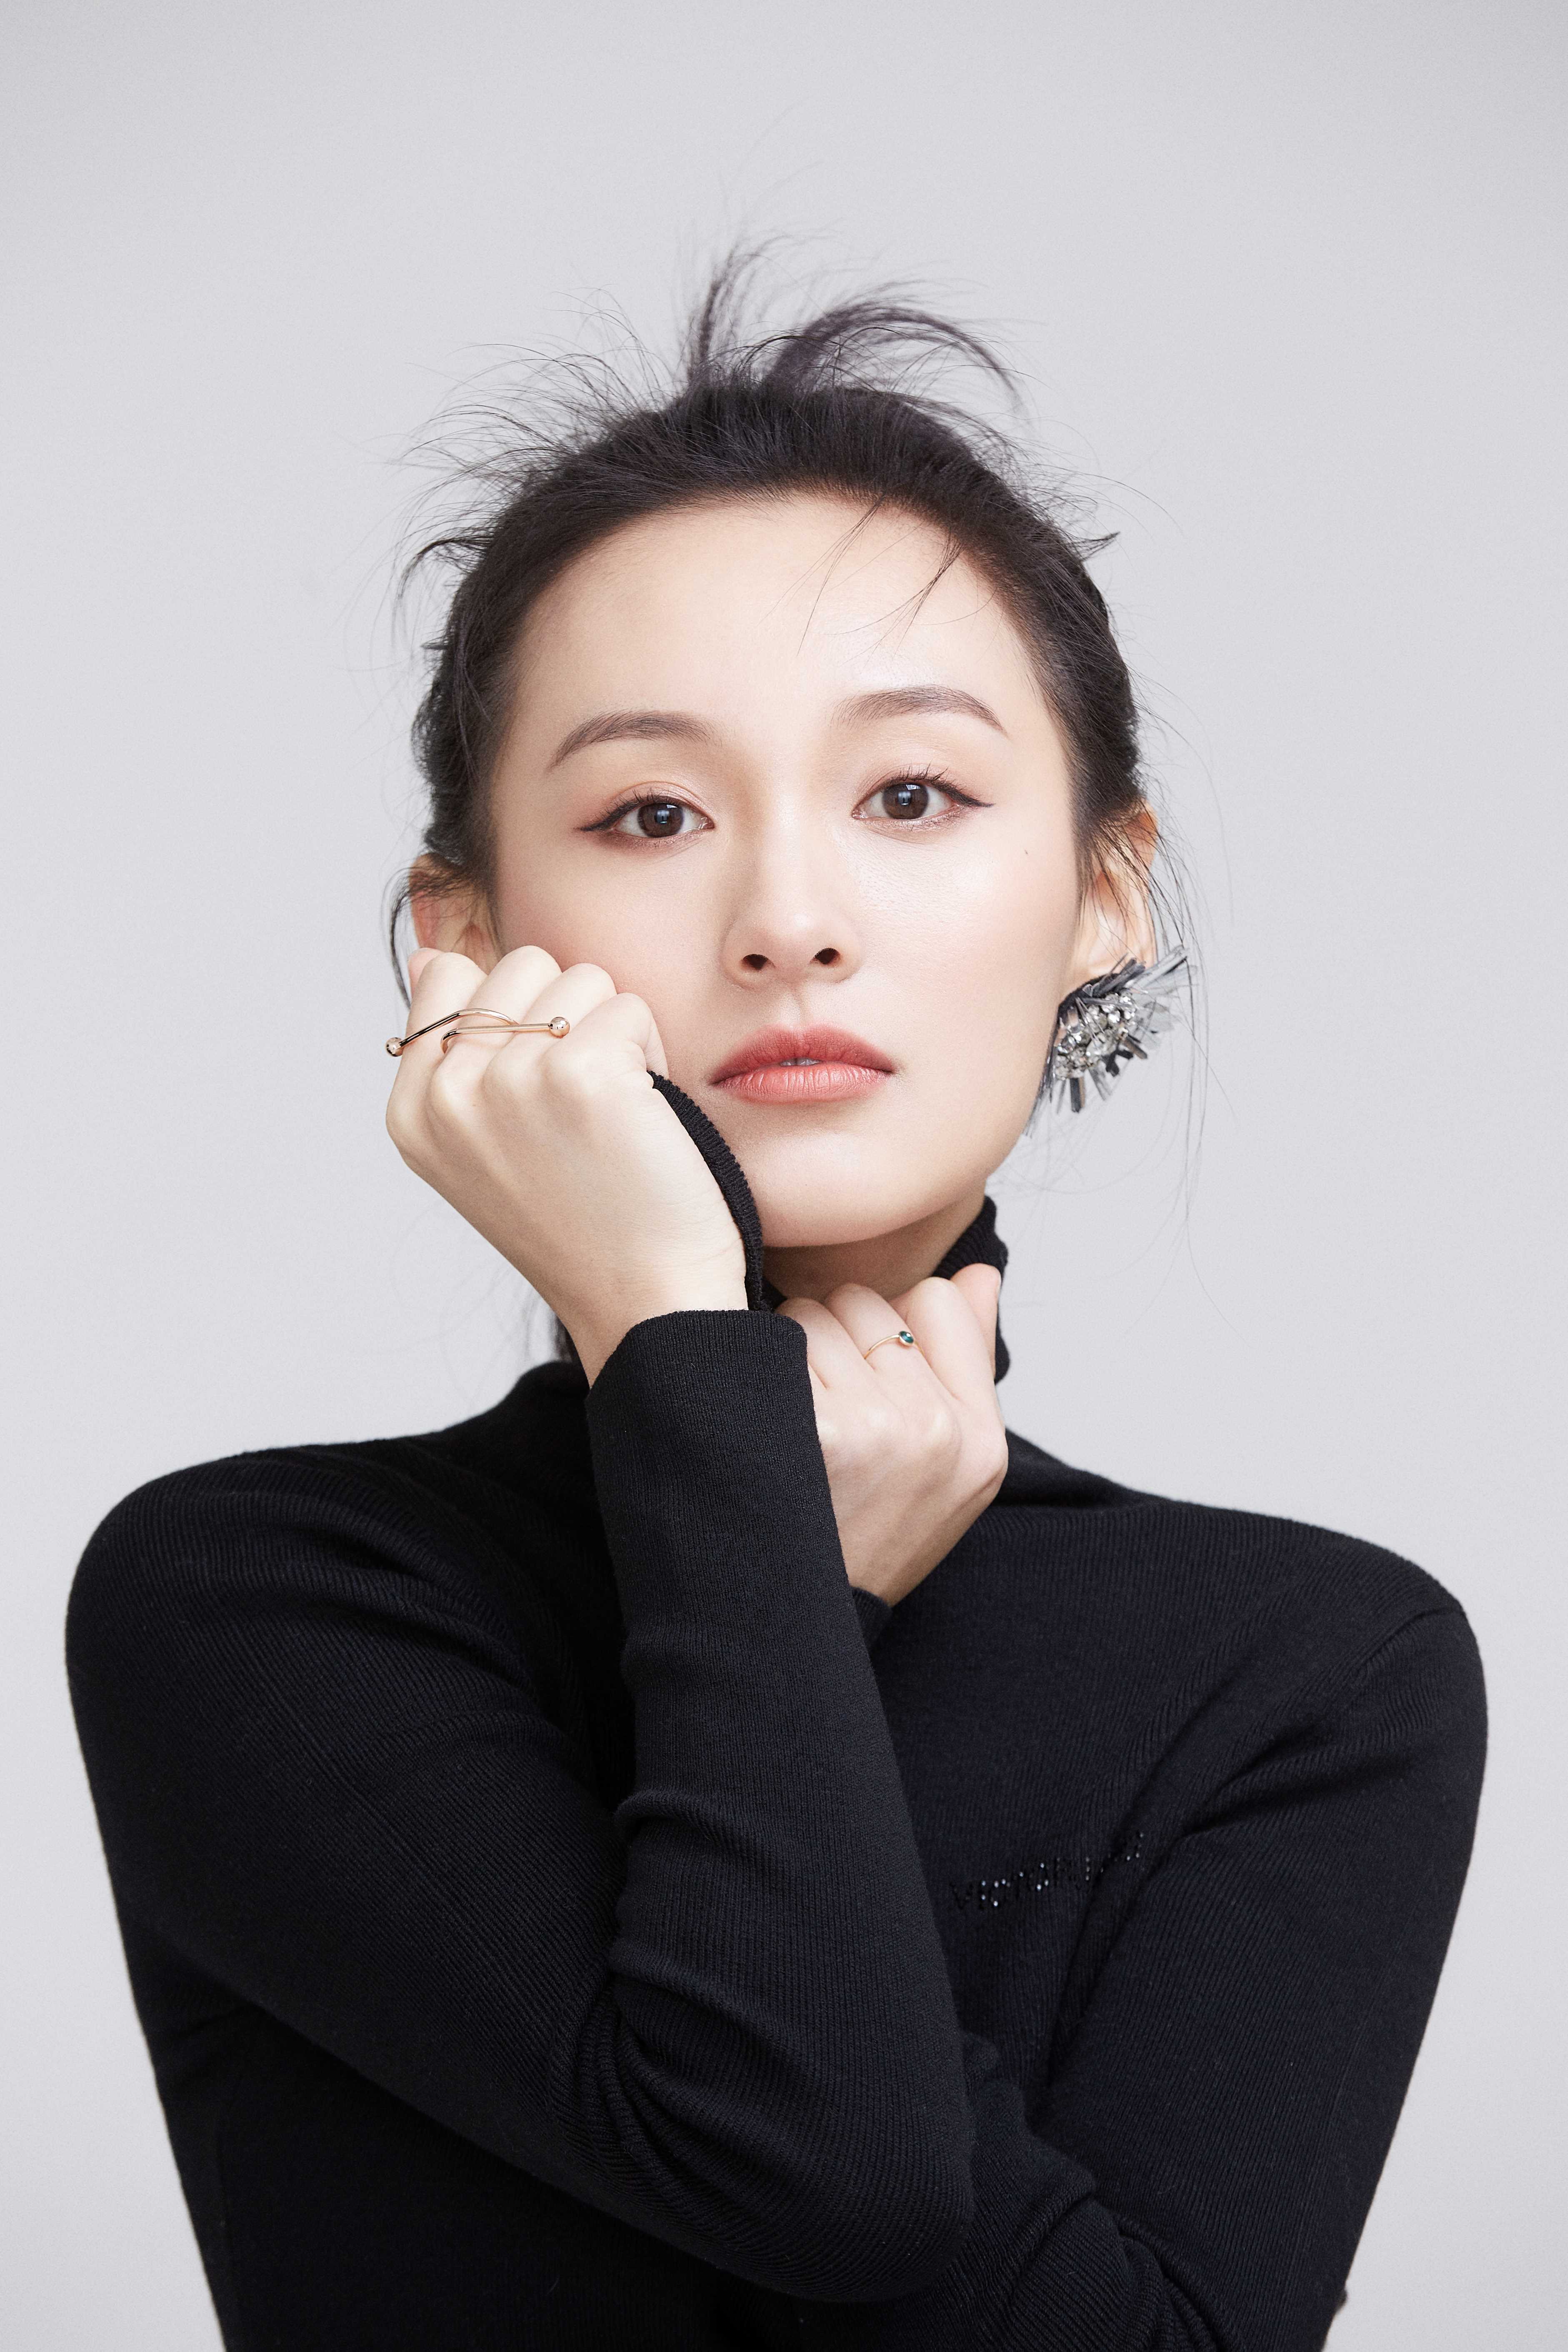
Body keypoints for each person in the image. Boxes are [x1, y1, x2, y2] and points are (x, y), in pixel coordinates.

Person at [66, 268, 1485, 2352]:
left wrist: (724, 1465)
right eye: (650, 814)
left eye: (910, 796)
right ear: (465, 938)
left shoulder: (1310, 1669)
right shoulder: (261, 1597)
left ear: (1103, 895)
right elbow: (826, 2169)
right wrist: (710, 1408)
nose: (787, 920)